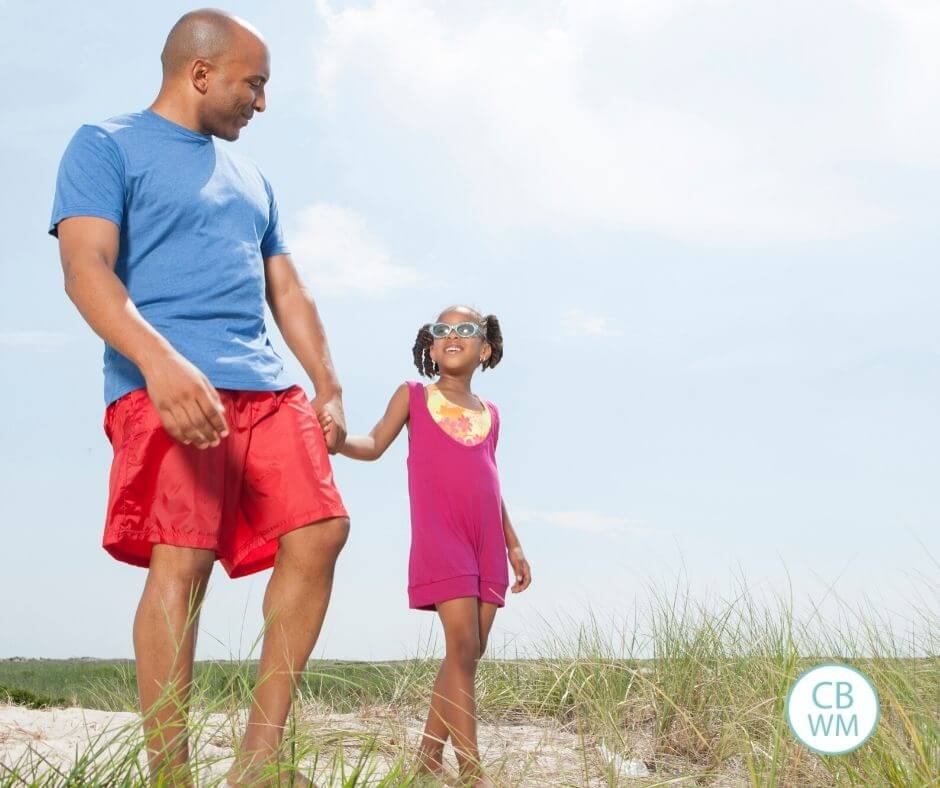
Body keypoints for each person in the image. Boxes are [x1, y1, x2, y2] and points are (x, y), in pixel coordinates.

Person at [48, 9, 348, 786]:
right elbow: (87, 269)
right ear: (201, 72)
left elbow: (287, 285)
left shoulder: (253, 177)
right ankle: (170, 775)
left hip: (264, 385)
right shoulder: (105, 144)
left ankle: (259, 763)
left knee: (320, 530)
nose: (261, 101)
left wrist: (327, 382)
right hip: (167, 379)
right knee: (185, 561)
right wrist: (158, 362)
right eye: (255, 84)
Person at [333, 305, 532, 787]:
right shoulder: (414, 396)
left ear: (485, 349)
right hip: (441, 535)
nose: (452, 335)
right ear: (431, 344)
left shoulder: (492, 414)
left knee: (469, 652)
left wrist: (514, 545)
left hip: (486, 540)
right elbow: (375, 443)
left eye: (465, 329)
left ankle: (426, 758)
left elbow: (492, 482)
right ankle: (472, 773)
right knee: (461, 645)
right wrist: (339, 440)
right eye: (442, 329)